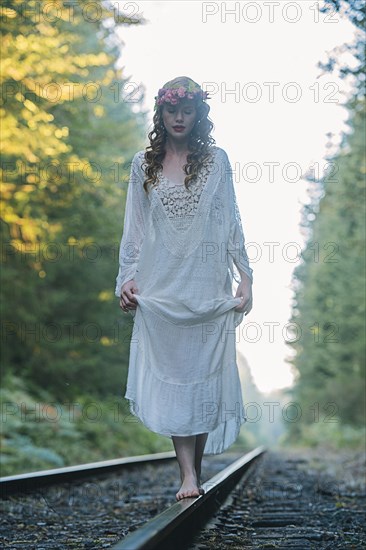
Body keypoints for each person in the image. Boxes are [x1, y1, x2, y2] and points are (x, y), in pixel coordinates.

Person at [115, 76, 253, 501]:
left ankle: (196, 465)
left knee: (204, 374)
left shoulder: (217, 161)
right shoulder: (144, 164)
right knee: (175, 374)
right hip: (162, 287)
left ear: (199, 115)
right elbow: (134, 229)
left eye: (187, 110)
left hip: (207, 283)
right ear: (161, 113)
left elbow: (231, 221)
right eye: (172, 110)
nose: (179, 118)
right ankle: (188, 474)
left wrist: (245, 275)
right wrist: (127, 277)